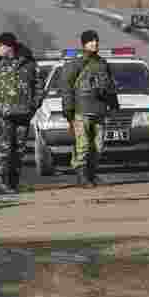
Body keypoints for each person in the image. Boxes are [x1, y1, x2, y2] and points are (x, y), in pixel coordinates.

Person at [0, 32, 40, 193]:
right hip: (1, 116)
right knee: (4, 150)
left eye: (0, 45)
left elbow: (38, 86)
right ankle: (3, 183)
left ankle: (14, 183)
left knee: (19, 150)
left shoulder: (28, 63)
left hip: (22, 114)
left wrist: (33, 106)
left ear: (9, 47)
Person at [58, 30, 121, 187]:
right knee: (83, 145)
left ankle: (91, 174)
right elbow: (66, 89)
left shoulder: (103, 64)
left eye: (96, 41)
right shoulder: (75, 64)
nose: (95, 43)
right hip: (81, 111)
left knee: (98, 146)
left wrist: (114, 105)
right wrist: (68, 110)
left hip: (99, 110)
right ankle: (82, 176)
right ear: (84, 44)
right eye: (91, 41)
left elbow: (110, 87)